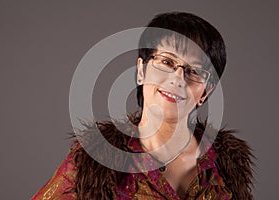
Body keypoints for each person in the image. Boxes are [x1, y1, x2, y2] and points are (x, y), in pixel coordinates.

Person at [31, 12, 254, 200]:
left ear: (207, 91)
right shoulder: (94, 160)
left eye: (193, 71)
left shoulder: (228, 166)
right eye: (167, 62)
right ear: (141, 71)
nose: (177, 78)